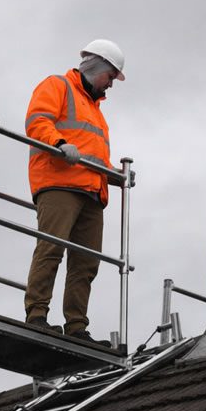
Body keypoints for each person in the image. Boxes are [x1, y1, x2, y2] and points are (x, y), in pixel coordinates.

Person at [23, 39, 125, 346]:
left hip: (93, 191)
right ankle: (37, 315)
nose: (110, 86)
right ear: (99, 69)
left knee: (86, 262)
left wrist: (113, 174)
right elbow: (37, 121)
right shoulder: (58, 86)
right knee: (51, 247)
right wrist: (57, 145)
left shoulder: (95, 110)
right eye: (110, 77)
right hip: (60, 183)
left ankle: (77, 325)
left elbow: (91, 151)